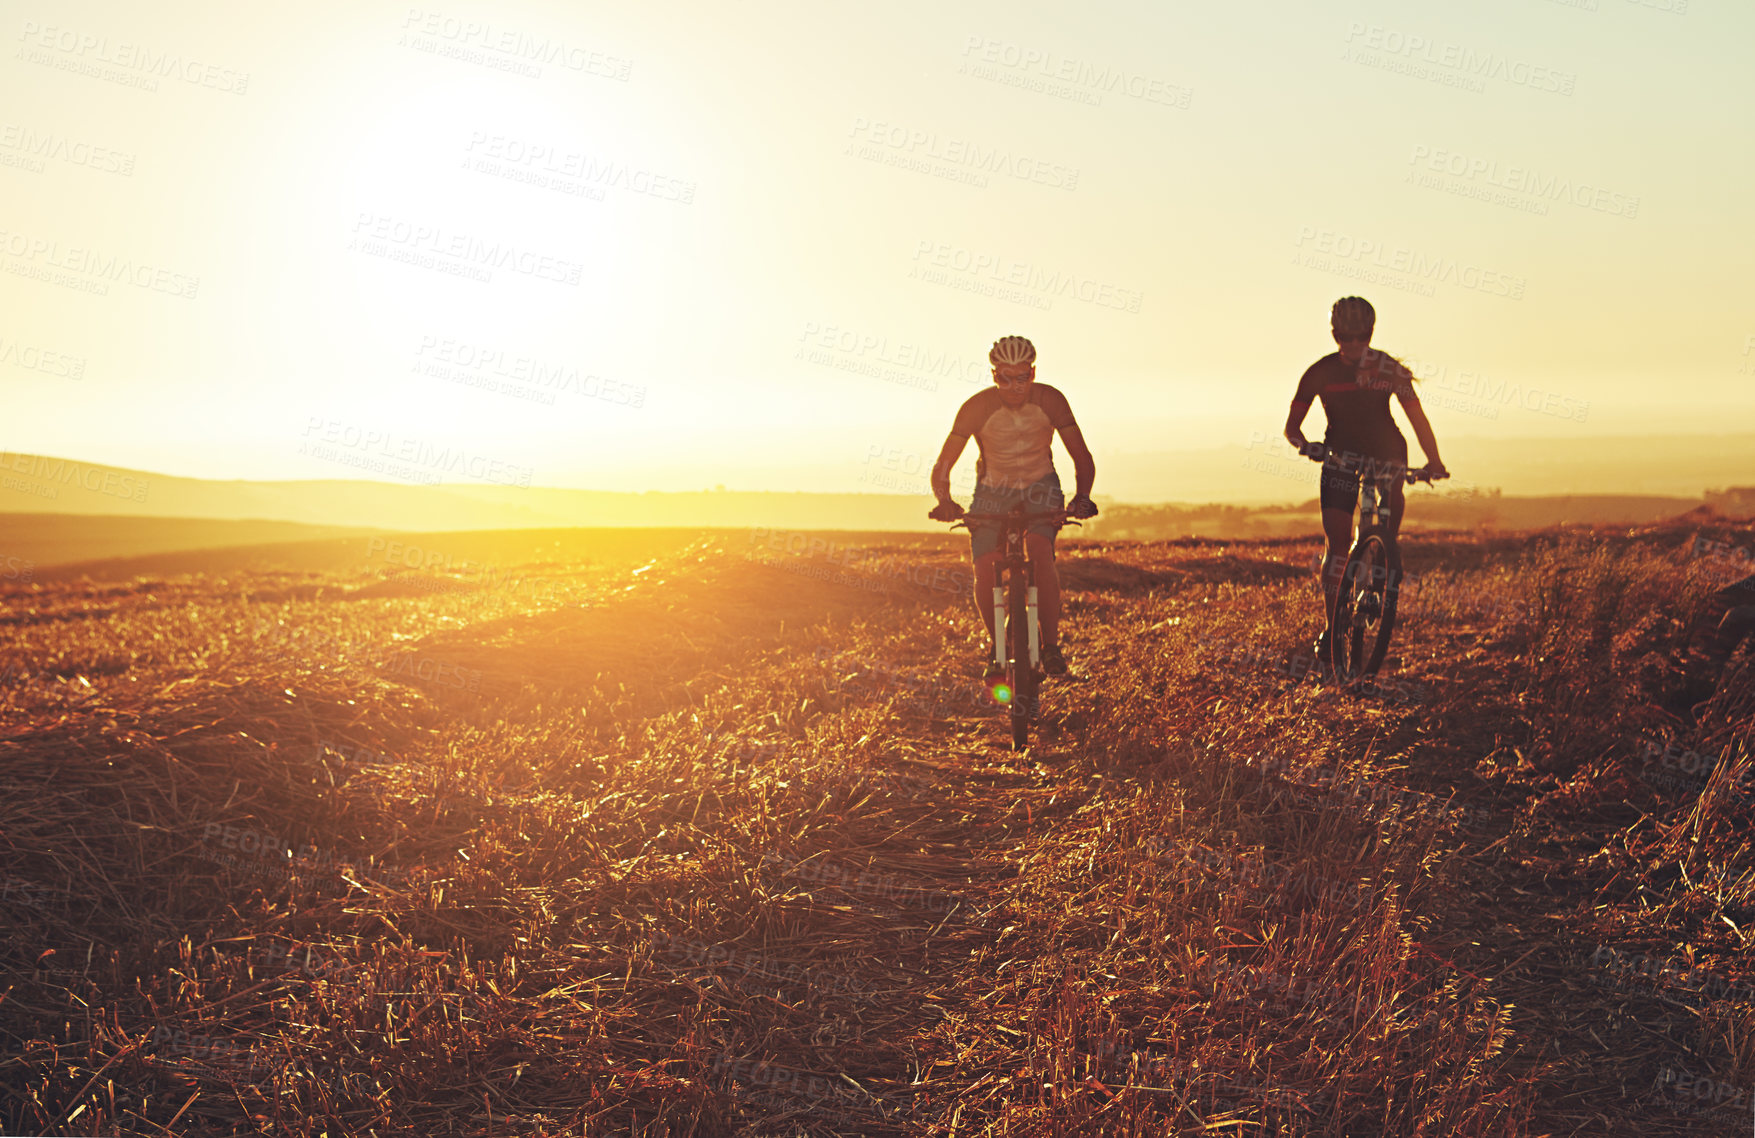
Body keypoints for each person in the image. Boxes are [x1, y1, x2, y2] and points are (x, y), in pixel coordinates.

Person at [1283, 297, 1447, 658]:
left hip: (1386, 450)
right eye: (1345, 336)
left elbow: (1417, 419)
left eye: (1362, 336)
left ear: (1371, 333)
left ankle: (1382, 561)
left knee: (1387, 528)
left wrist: (1433, 459)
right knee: (1337, 545)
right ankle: (1332, 631)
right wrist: (1304, 446)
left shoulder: (1389, 369)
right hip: (1339, 454)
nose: (1354, 344)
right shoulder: (1320, 373)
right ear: (1334, 334)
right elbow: (1291, 428)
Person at [928, 335, 1098, 677]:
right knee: (985, 566)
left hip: (1041, 485)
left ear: (1033, 373)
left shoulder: (1051, 400)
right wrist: (944, 501)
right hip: (993, 490)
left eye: (1023, 377)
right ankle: (998, 649)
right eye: (1006, 377)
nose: (1015, 386)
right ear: (994, 375)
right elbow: (944, 464)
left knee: (1039, 549)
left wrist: (1083, 496)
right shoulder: (976, 407)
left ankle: (1050, 646)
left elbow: (1081, 456)